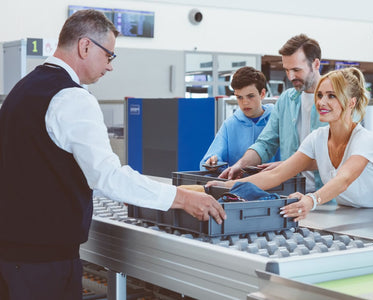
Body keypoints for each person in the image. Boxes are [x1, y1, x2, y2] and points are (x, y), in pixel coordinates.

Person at [0, 10, 225, 300]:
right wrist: (182, 198)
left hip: (11, 255)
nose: (110, 67)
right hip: (45, 263)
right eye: (109, 56)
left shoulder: (22, 89)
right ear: (85, 46)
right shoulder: (72, 97)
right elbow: (107, 177)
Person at [208, 67, 373, 221]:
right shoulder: (317, 137)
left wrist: (311, 200)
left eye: (331, 96)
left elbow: (344, 179)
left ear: (351, 102)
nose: (322, 102)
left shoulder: (364, 139)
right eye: (320, 95)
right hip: (349, 215)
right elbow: (276, 174)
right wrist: (228, 185)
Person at [219, 34, 327, 193]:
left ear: (316, 64)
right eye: (287, 70)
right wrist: (240, 165)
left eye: (296, 70)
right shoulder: (285, 101)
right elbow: (265, 143)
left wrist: (288, 164)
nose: (290, 77)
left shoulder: (337, 102)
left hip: (328, 197)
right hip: (292, 195)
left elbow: (337, 156)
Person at [199, 67, 279, 170]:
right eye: (239, 97)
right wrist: (212, 162)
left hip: (274, 184)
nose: (245, 102)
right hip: (238, 184)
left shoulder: (277, 121)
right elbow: (210, 159)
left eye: (250, 96)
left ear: (262, 94)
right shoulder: (230, 125)